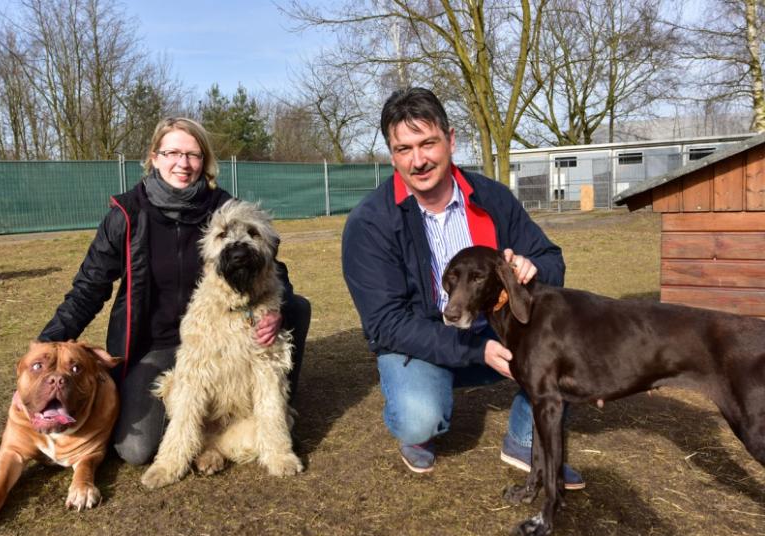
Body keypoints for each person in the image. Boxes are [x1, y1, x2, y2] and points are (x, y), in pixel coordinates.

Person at [341, 88, 583, 488]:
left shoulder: (492, 197)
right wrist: (475, 349)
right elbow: (385, 324)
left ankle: (525, 440)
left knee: (566, 345)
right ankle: (419, 424)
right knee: (419, 415)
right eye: (403, 149)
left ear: (450, 140)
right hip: (420, 338)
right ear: (391, 154)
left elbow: (550, 257)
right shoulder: (369, 223)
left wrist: (532, 268)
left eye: (428, 144)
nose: (418, 161)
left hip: (493, 325)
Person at [39, 117, 311, 465]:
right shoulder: (127, 214)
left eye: (194, 155)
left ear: (205, 161)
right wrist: (43, 350)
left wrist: (276, 309)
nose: (183, 164)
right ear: (154, 157)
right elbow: (88, 289)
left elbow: (272, 264)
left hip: (222, 331)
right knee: (134, 451)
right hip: (159, 343)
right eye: (172, 153)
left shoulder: (224, 209)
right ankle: (201, 429)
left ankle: (270, 415)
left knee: (296, 307)